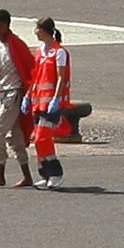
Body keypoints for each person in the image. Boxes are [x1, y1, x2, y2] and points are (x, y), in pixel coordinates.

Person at [0, 9, 37, 189]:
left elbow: (29, 68)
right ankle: (27, 176)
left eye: (0, 25)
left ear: (7, 24)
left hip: (14, 94)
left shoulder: (17, 44)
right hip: (3, 93)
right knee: (17, 138)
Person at [27, 17, 72, 190]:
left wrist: (56, 98)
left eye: (37, 28)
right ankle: (45, 174)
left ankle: (56, 172)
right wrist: (28, 96)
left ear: (44, 30)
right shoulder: (40, 51)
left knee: (42, 138)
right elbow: (36, 76)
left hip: (51, 103)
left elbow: (61, 77)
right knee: (37, 141)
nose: (35, 32)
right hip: (38, 102)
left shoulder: (59, 52)